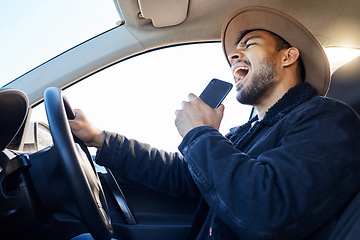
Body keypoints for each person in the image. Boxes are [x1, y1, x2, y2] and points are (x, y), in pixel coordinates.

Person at [69, 6, 360, 240]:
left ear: (288, 57)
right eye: (235, 50)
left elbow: (269, 211)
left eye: (250, 44)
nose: (234, 54)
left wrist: (200, 133)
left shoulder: (328, 118)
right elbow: (184, 175)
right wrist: (100, 139)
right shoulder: (244, 134)